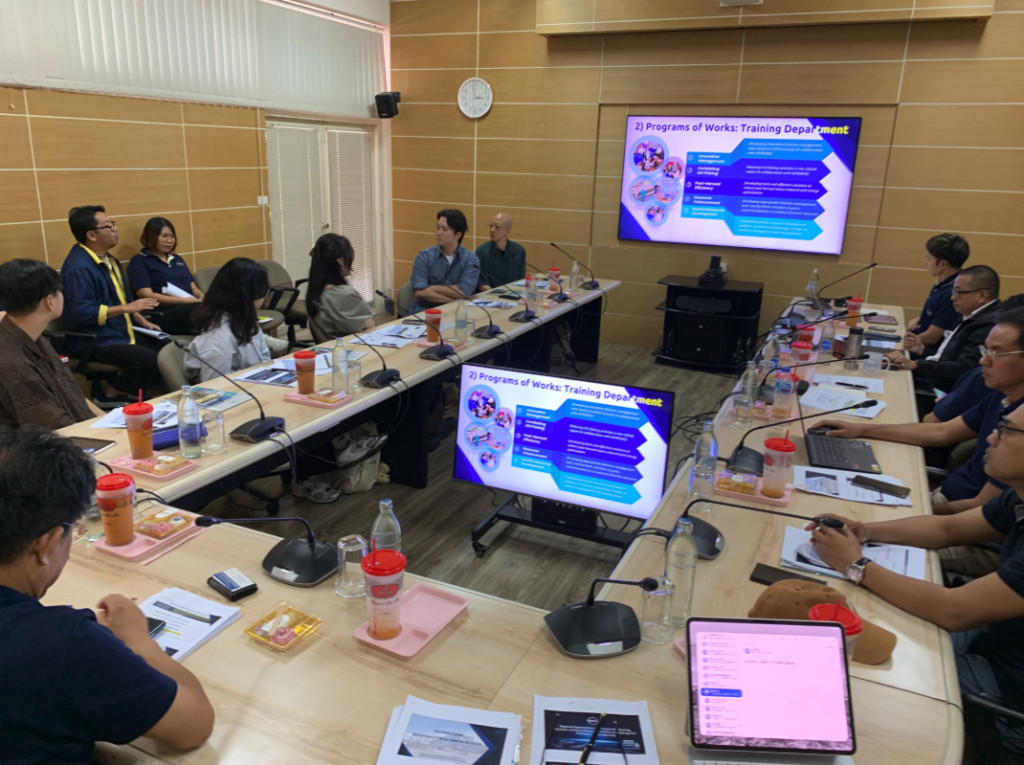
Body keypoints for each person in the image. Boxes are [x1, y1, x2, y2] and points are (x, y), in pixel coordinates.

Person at [806, 402, 1024, 755]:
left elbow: (954, 611)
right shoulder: (1019, 498)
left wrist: (855, 565)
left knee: (858, 674)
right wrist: (863, 531)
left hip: (1004, 688)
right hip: (992, 640)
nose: (991, 438)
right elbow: (946, 529)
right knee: (863, 627)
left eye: (1008, 430)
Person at [0, 429, 214, 762]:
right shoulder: (63, 644)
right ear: (47, 544)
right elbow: (193, 725)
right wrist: (137, 638)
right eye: (73, 529)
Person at [816, 309, 1024, 531]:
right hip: (939, 501)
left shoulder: (1019, 427)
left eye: (996, 353)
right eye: (985, 350)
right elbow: (940, 432)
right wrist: (861, 429)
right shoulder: (1000, 395)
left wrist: (912, 512)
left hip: (959, 523)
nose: (983, 360)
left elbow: (979, 508)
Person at [186, 258, 339, 503]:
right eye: (262, 293)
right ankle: (305, 478)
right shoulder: (218, 339)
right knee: (305, 415)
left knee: (313, 401)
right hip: (235, 406)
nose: (264, 298)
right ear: (246, 296)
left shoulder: (243, 318)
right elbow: (216, 395)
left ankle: (312, 467)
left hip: (257, 389)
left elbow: (262, 357)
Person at [60, 206, 166, 404]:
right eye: (108, 225)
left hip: (118, 329)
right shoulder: (79, 268)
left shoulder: (110, 260)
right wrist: (127, 309)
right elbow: (81, 312)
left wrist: (143, 321)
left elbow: (123, 301)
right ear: (91, 235)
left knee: (166, 347)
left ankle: (135, 395)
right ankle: (109, 395)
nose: (114, 229)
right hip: (94, 339)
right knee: (145, 358)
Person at [0, 260, 104, 429]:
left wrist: (109, 421)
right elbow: (55, 428)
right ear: (49, 301)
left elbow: (72, 392)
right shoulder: (13, 362)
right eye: (59, 291)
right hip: (47, 441)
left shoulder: (29, 334)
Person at [888, 264, 1002, 397]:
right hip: (934, 379)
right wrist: (922, 350)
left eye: (959, 292)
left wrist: (916, 365)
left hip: (941, 393)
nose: (953, 297)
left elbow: (964, 369)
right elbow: (948, 358)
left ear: (982, 295)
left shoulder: (989, 325)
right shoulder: (973, 315)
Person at [127, 218, 203, 336]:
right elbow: (146, 295)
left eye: (172, 237)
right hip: (164, 313)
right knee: (203, 312)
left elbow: (193, 288)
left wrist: (202, 297)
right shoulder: (139, 262)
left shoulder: (177, 259)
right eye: (164, 236)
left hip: (191, 306)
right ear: (151, 237)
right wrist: (185, 301)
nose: (169, 241)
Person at [905, 233, 970, 354]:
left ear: (943, 264)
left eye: (929, 258)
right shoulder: (944, 282)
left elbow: (931, 338)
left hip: (926, 353)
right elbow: (936, 313)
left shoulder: (952, 294)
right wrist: (918, 319)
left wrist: (900, 343)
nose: (926, 263)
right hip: (918, 339)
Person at [410, 209, 480, 313]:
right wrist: (455, 301)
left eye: (445, 229)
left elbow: (463, 291)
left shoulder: (470, 259)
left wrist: (431, 288)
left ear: (458, 235)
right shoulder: (424, 256)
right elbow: (420, 292)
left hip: (455, 313)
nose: (439, 233)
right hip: (425, 312)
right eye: (438, 227)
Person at [306, 233, 374, 338]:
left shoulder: (316, 290)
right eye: (349, 257)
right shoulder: (341, 294)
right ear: (340, 261)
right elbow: (369, 324)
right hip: (353, 344)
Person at [475, 213, 526, 292]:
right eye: (491, 226)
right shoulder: (481, 252)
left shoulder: (519, 251)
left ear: (507, 230)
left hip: (512, 295)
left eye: (497, 227)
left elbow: (520, 280)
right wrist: (497, 294)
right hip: (488, 295)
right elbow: (481, 283)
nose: (492, 230)